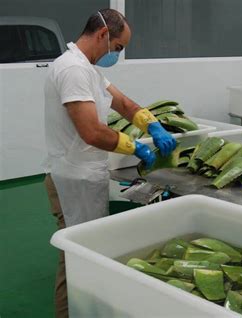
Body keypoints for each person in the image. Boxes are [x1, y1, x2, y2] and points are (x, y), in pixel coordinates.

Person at [43, 9, 176, 317]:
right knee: (75, 256)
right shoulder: (72, 70)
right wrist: (136, 147)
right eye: (118, 48)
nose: (117, 54)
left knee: (88, 251)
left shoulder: (89, 70)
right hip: (71, 178)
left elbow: (124, 104)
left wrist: (152, 124)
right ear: (103, 35)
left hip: (85, 173)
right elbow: (91, 131)